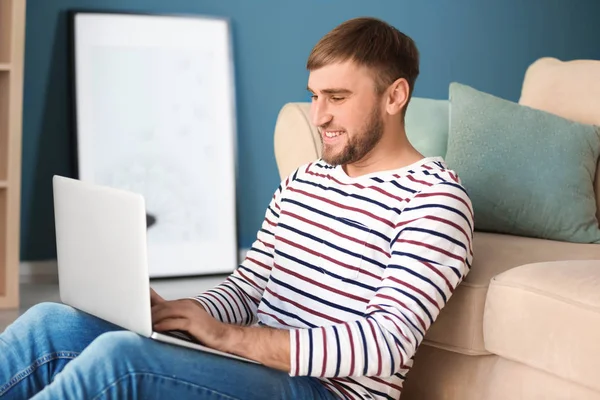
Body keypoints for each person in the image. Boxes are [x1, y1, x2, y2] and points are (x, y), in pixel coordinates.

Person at [0, 16, 473, 400]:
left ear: (395, 96)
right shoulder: (304, 181)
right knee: (51, 323)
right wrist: (184, 314)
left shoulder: (433, 199)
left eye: (338, 97)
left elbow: (385, 344)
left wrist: (226, 338)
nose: (318, 116)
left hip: (327, 391)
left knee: (120, 360)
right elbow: (248, 290)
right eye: (314, 95)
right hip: (252, 368)